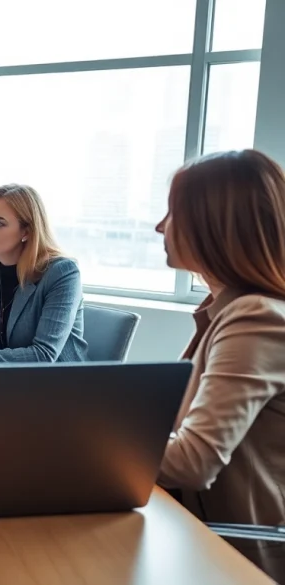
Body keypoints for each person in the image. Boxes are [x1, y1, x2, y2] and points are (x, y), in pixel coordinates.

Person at [153, 149, 285, 582]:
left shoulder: (255, 318)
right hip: (192, 526)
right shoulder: (224, 310)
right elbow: (170, 422)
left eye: (172, 213)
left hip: (234, 550)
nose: (160, 226)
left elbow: (193, 461)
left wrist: (57, 442)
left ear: (212, 227)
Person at [0, 183, 87, 362]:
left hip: (58, 384)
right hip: (6, 380)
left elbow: (43, 355)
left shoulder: (62, 273)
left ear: (27, 231)